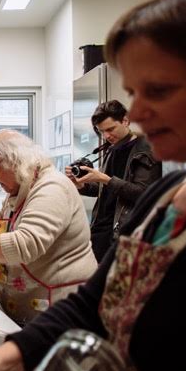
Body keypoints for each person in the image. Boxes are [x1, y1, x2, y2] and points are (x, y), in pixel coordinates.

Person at [0, 0, 186, 371]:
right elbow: (90, 305)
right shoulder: (165, 196)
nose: (136, 111)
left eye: (159, 89)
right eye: (133, 91)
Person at [0, 130, 97, 325]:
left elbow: (22, 246)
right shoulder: (23, 186)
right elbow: (0, 220)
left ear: (13, 160)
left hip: (59, 310)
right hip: (30, 309)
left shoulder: (52, 188)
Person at [65, 100, 161, 262]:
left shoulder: (145, 150)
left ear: (125, 120)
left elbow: (144, 194)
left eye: (110, 129)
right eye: (102, 131)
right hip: (100, 230)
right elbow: (105, 189)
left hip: (124, 232)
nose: (106, 136)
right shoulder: (112, 149)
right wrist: (82, 185)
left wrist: (104, 178)